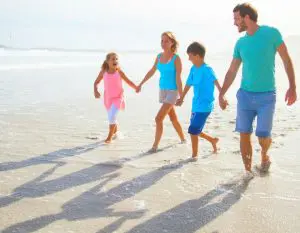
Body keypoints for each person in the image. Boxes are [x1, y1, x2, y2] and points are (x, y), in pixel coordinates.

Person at [218, 3, 297, 177]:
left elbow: (286, 59)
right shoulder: (240, 43)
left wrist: (292, 86)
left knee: (262, 136)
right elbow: (232, 70)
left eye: (237, 19)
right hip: (245, 95)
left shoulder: (271, 34)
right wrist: (222, 92)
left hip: (266, 96)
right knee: (244, 134)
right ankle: (247, 174)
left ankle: (264, 154)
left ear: (247, 17)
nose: (235, 23)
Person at [136, 31, 186, 152]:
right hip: (162, 90)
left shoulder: (176, 58)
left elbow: (179, 78)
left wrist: (182, 96)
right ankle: (184, 139)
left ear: (172, 42)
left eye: (166, 41)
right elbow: (152, 70)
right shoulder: (159, 56)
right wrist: (141, 83)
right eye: (162, 41)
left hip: (173, 91)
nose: (163, 43)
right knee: (173, 118)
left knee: (158, 119)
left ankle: (155, 146)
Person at [176, 42, 222, 159]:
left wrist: (222, 96)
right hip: (195, 105)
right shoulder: (193, 69)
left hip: (205, 106)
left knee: (193, 130)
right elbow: (188, 84)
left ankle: (194, 156)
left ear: (197, 56)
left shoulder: (207, 69)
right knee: (195, 129)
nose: (189, 58)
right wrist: (182, 98)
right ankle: (212, 140)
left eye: (190, 56)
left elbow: (216, 82)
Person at [94, 52, 138, 143]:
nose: (115, 61)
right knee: (111, 116)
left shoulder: (119, 72)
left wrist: (136, 87)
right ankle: (116, 134)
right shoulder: (103, 72)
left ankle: (109, 138)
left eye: (116, 59)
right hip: (108, 98)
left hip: (118, 97)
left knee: (112, 116)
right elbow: (96, 82)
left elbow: (128, 81)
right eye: (113, 59)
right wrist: (95, 90)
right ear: (107, 61)